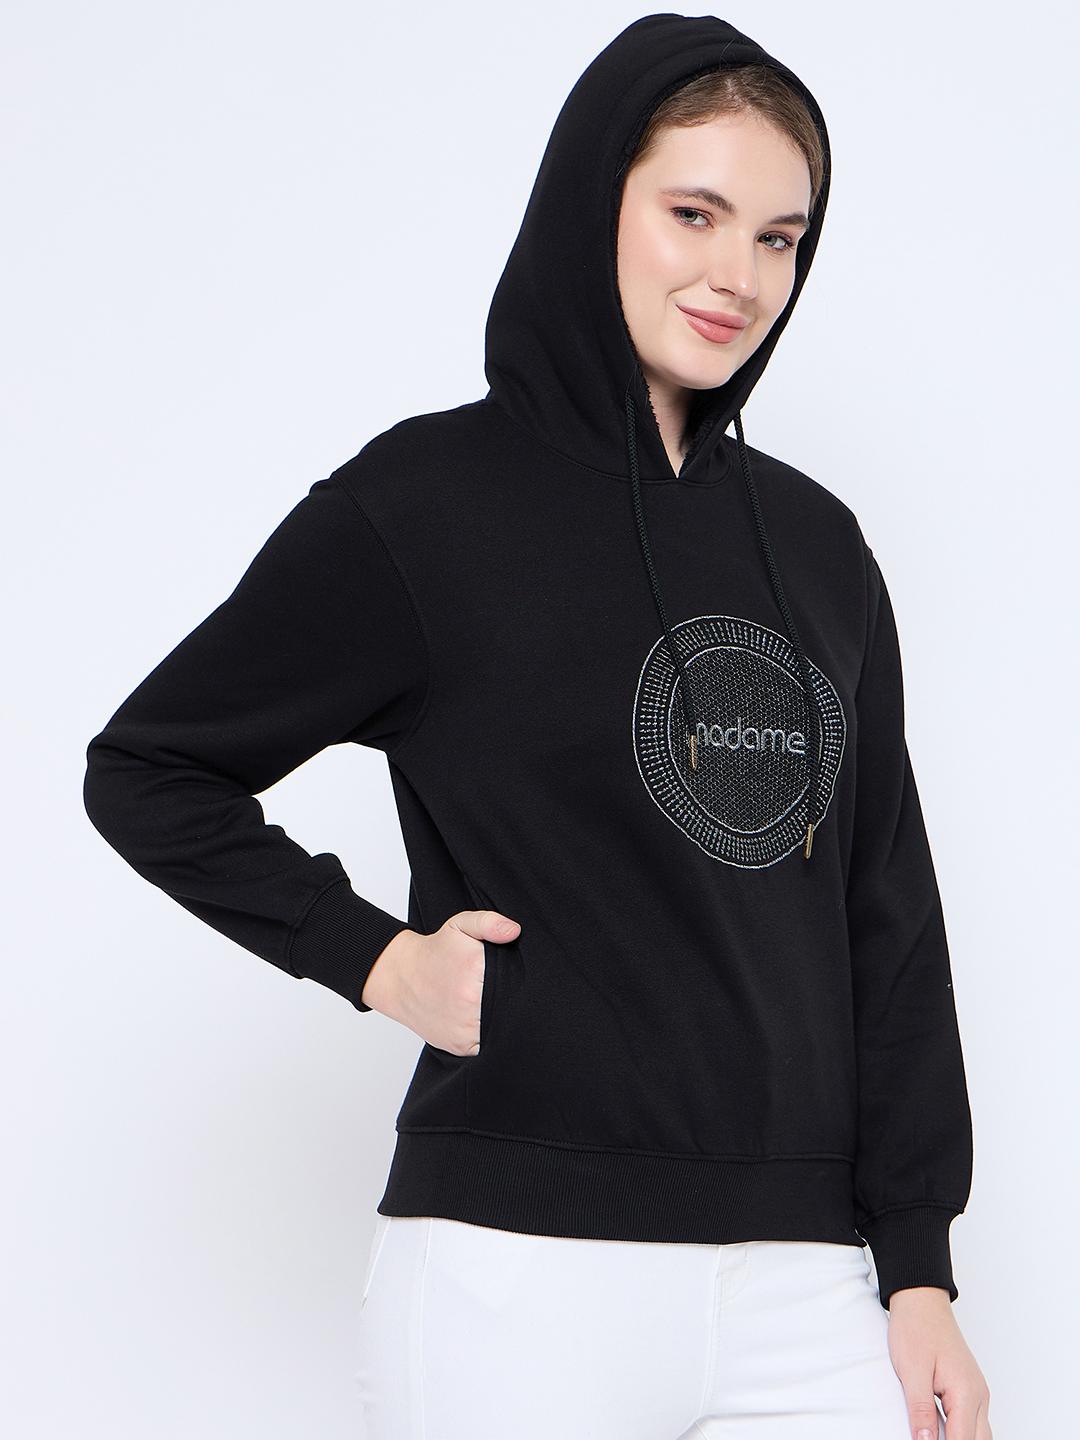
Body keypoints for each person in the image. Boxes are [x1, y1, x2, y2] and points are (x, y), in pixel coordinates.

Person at [82, 12, 993, 1440]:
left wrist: (919, 1270)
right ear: (592, 201)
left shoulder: (817, 546)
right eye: (694, 213)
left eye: (779, 238)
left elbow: (886, 909)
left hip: (809, 1282)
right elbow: (148, 766)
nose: (739, 274)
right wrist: (374, 958)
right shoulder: (423, 508)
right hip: (522, 1272)